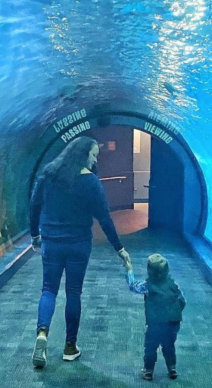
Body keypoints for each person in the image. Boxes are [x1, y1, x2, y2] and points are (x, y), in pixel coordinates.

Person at [29, 136, 131, 368]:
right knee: (73, 292)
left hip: (52, 243)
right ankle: (69, 347)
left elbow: (34, 206)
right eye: (93, 155)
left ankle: (42, 333)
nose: (95, 160)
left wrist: (35, 235)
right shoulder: (91, 183)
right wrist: (120, 248)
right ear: (83, 154)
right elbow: (104, 218)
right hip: (78, 245)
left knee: (48, 290)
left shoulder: (48, 174)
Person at [124, 253, 186, 381]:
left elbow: (133, 286)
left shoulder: (147, 286)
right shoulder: (174, 285)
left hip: (156, 323)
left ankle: (148, 371)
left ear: (149, 271)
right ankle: (172, 368)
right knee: (169, 345)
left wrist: (129, 269)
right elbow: (182, 301)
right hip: (173, 323)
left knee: (151, 346)